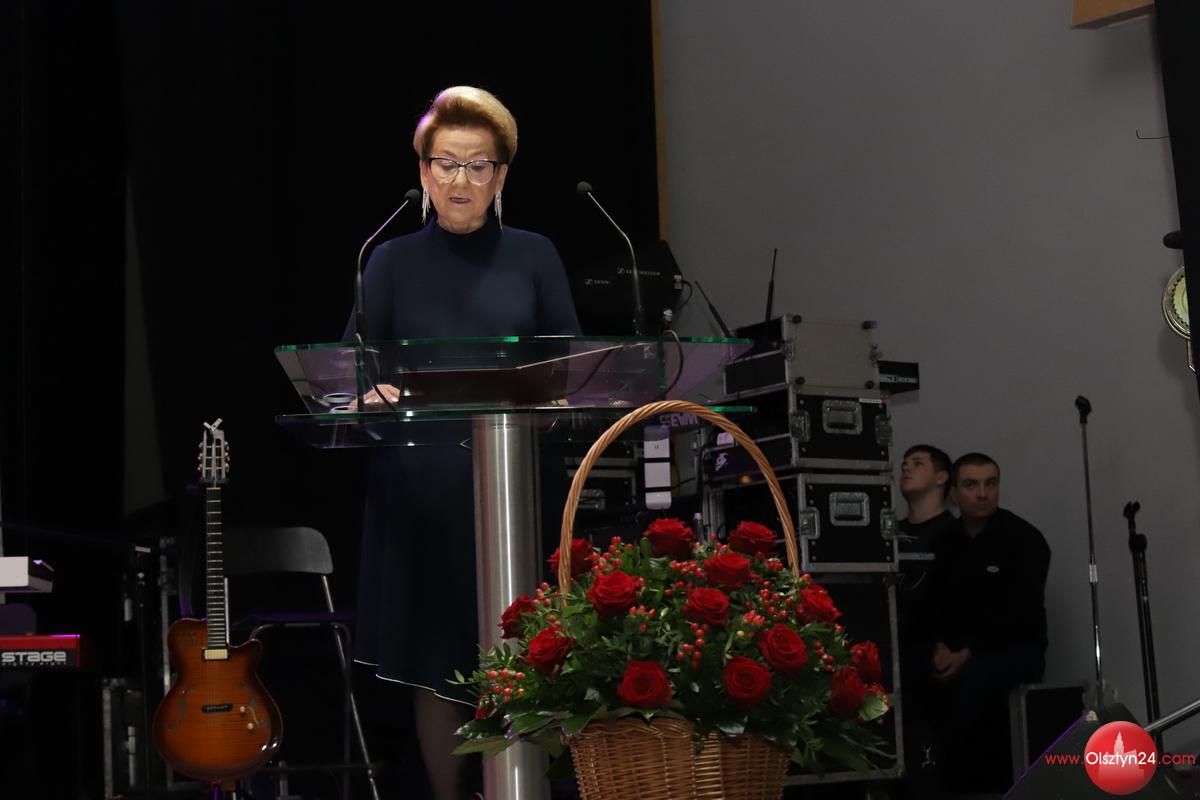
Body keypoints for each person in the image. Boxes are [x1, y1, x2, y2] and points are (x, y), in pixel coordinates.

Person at [346, 86, 581, 799]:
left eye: (478, 165)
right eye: (445, 163)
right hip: (421, 489)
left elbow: (571, 364)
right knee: (437, 659)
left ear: (501, 176)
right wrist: (368, 393)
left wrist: (555, 398)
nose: (460, 180)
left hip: (518, 482)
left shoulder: (535, 255)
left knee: (529, 650)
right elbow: (354, 368)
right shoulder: (388, 260)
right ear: (423, 171)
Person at [926, 452, 1051, 791]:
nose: (982, 494)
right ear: (954, 493)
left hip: (1011, 650)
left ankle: (975, 786)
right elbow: (932, 607)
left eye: (990, 484)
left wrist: (965, 654)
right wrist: (939, 646)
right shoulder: (942, 542)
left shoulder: (1025, 539)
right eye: (971, 485)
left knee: (973, 680)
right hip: (954, 650)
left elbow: (1020, 613)